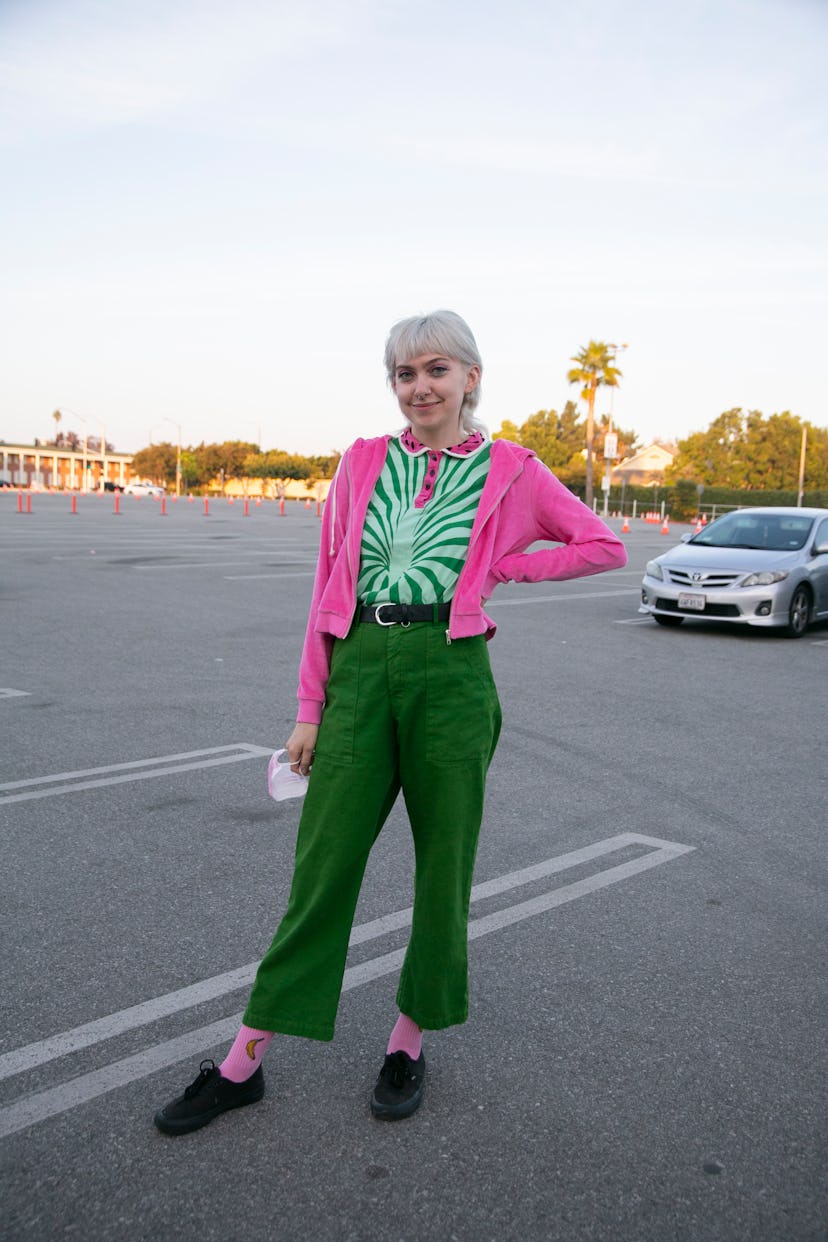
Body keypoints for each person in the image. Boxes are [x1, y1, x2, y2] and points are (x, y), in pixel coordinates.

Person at [154, 310, 627, 1135]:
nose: (420, 388)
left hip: (452, 675)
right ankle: (244, 1062)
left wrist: (505, 568)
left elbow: (602, 545)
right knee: (322, 868)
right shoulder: (363, 462)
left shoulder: (512, 468)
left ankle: (408, 1040)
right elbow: (326, 586)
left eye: (436, 371)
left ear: (470, 379)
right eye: (405, 375)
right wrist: (310, 707)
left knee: (443, 869)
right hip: (363, 665)